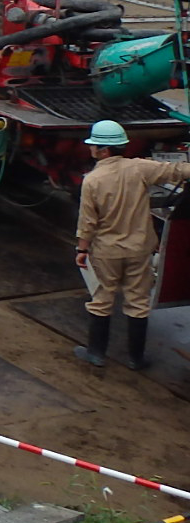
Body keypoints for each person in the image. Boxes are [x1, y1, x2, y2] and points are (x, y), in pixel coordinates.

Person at [73, 119, 184, 369]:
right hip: (139, 250)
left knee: (102, 300)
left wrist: (82, 249)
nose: (91, 149)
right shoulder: (140, 168)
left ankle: (96, 354)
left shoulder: (93, 180)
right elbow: (175, 171)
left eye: (94, 146)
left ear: (103, 150)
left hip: (107, 252)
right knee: (138, 302)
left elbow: (87, 222)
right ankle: (136, 358)